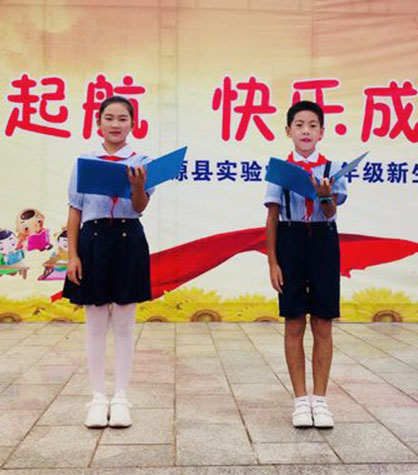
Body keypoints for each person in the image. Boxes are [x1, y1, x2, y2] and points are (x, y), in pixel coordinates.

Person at [63, 95, 154, 428]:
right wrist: (72, 255)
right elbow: (75, 210)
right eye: (109, 118)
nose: (116, 124)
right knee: (96, 322)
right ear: (98, 122)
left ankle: (121, 397)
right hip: (94, 241)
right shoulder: (85, 162)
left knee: (126, 323)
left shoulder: (142, 161)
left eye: (123, 119)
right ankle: (98, 397)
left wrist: (138, 185)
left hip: (129, 239)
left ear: (133, 124)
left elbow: (140, 206)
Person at [265, 100, 347, 429]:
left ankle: (320, 400)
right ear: (288, 131)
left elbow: (331, 212)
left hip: (324, 242)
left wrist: (325, 196)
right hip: (290, 240)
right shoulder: (280, 169)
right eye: (299, 125)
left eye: (313, 125)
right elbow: (272, 216)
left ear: (322, 132)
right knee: (294, 321)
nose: (306, 131)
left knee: (323, 322)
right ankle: (300, 400)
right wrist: (273, 262)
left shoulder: (332, 169)